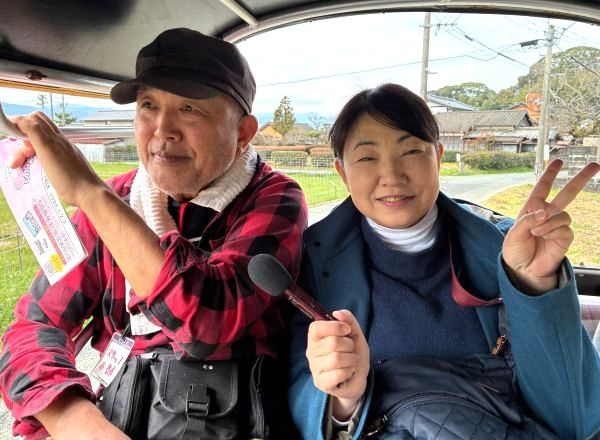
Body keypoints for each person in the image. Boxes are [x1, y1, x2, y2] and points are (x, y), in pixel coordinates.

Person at [0, 28, 307, 439]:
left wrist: (89, 192)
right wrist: (77, 422)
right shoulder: (118, 199)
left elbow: (206, 322)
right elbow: (33, 328)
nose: (163, 130)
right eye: (148, 105)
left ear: (243, 133)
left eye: (189, 109)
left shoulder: (274, 198)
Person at [288, 83, 600, 439]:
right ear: (343, 172)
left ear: (437, 157)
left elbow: (577, 417)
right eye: (367, 158)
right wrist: (344, 402)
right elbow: (301, 389)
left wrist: (534, 286)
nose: (392, 175)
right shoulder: (313, 262)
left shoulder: (509, 248)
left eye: (411, 151)